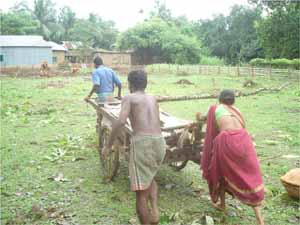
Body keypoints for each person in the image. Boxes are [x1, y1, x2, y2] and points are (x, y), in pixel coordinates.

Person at [102, 70, 166, 225]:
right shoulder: (152, 98)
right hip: (159, 142)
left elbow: (121, 121)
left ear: (130, 84)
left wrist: (108, 145)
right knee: (150, 176)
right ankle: (155, 210)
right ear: (145, 83)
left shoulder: (129, 97)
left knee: (140, 194)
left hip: (143, 143)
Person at [200, 89, 265, 225]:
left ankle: (223, 204)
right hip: (244, 140)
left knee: (220, 173)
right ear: (233, 100)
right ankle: (260, 219)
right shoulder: (237, 110)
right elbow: (241, 126)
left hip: (227, 141)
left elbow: (203, 119)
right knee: (250, 178)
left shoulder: (215, 108)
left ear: (220, 99)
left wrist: (198, 117)